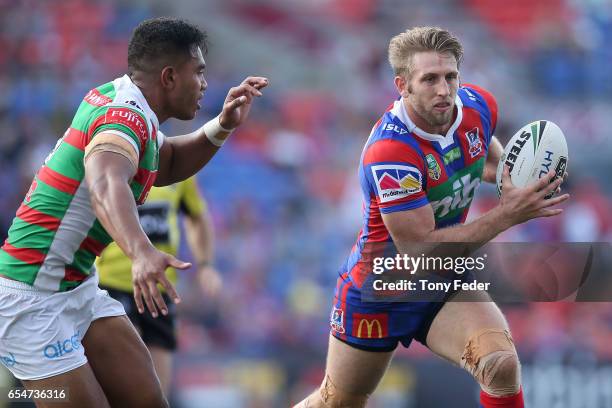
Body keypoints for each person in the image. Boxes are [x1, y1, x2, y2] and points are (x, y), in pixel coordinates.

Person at [0, 17, 267, 407]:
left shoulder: (126, 103)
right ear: (170, 77)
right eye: (200, 72)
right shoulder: (122, 120)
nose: (206, 84)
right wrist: (141, 253)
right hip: (31, 299)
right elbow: (105, 182)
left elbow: (168, 162)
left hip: (75, 289)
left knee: (147, 399)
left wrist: (221, 127)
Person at [295, 26, 568, 408]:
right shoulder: (390, 152)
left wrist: (516, 179)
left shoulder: (478, 107)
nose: (444, 89)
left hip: (442, 278)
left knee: (500, 365)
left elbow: (487, 159)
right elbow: (418, 248)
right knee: (337, 401)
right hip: (381, 288)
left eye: (450, 76)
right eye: (430, 80)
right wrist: (508, 214)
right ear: (402, 85)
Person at [96, 176, 221, 395]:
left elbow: (197, 216)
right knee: (126, 378)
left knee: (156, 391)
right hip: (111, 285)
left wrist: (205, 265)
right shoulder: (111, 160)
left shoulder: (179, 169)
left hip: (160, 288)